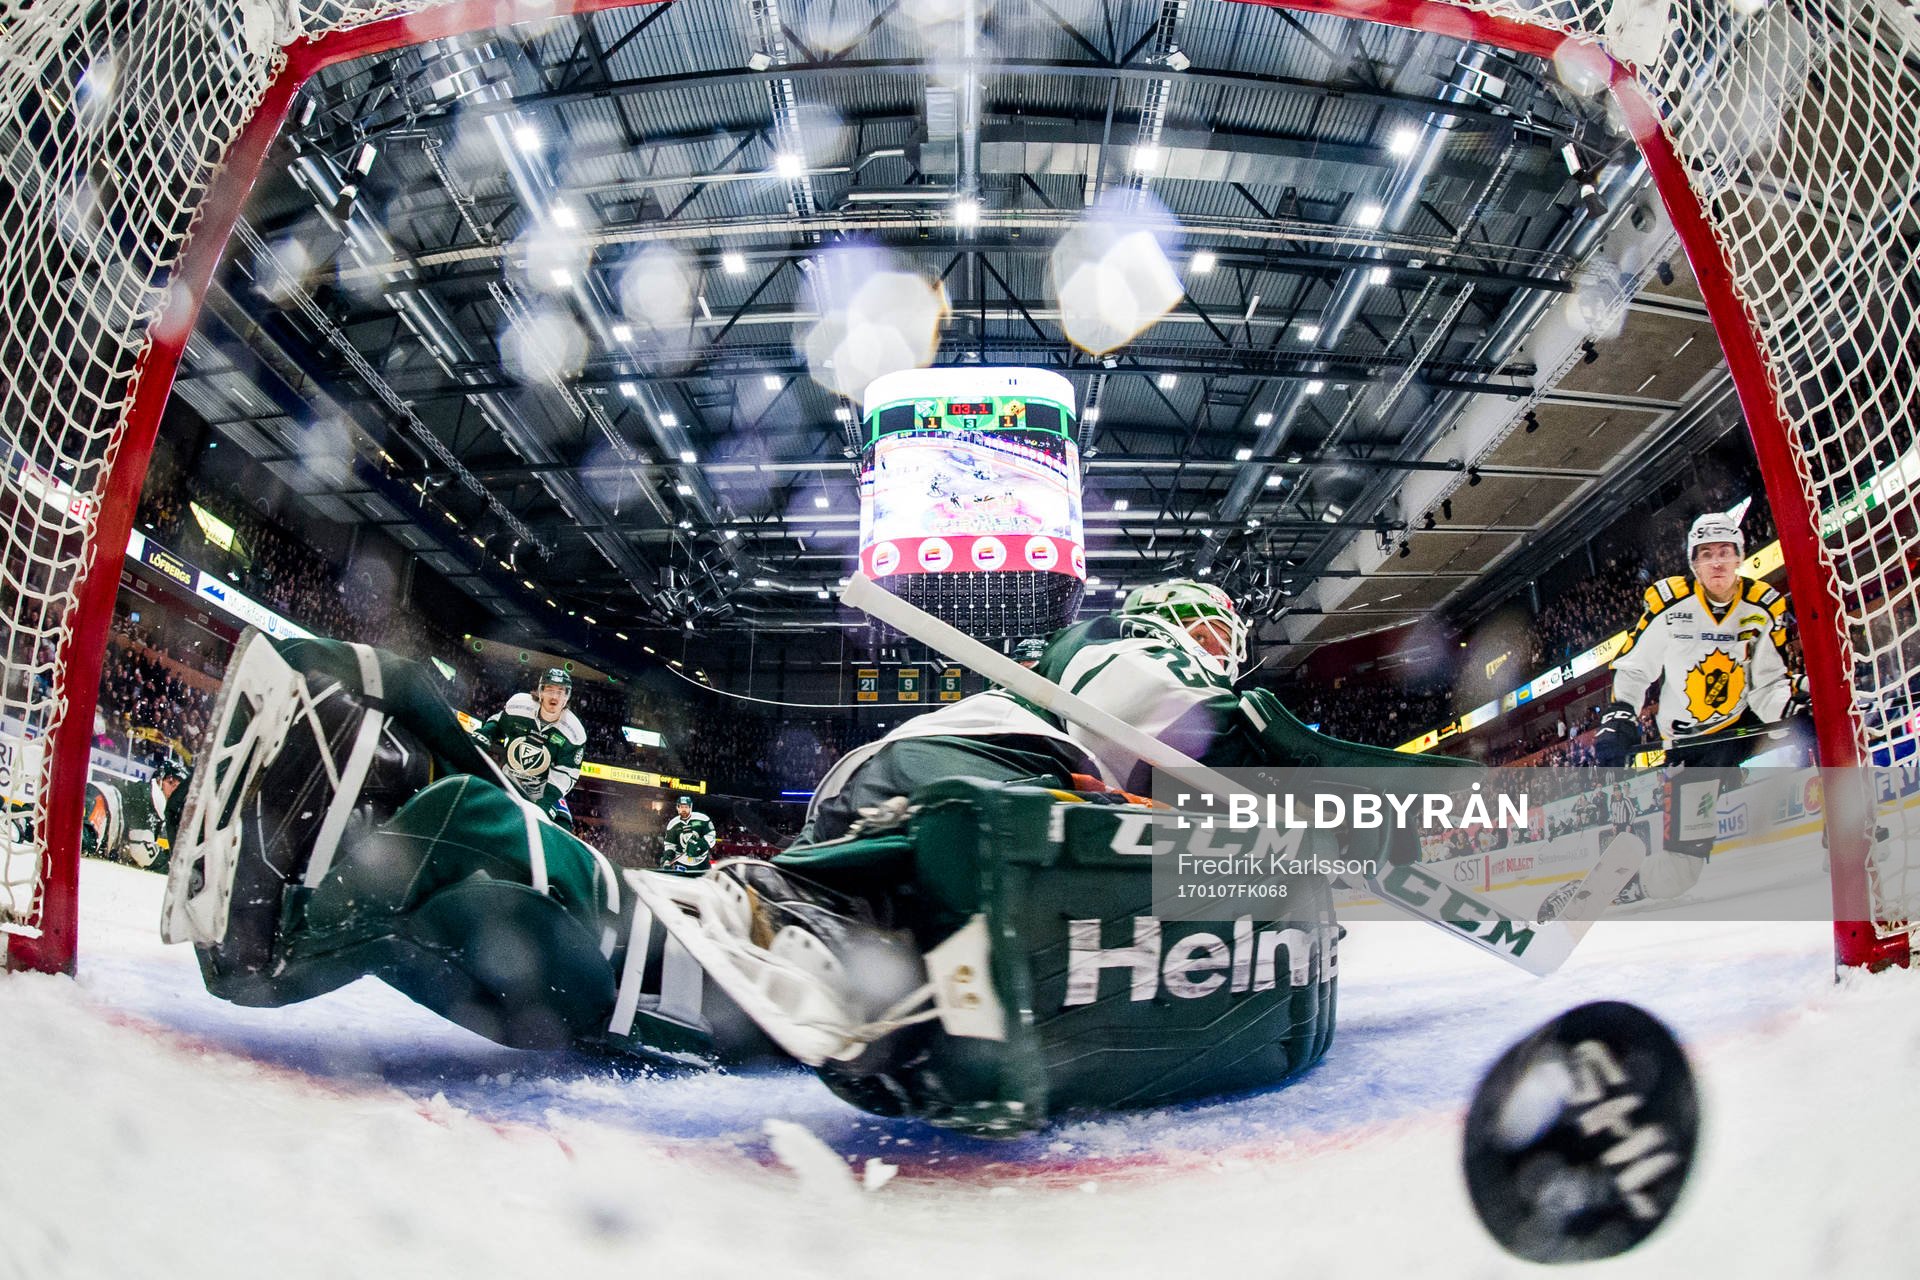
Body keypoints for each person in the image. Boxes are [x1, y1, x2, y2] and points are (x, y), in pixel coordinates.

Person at [163, 587, 1442, 1135]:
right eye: (1212, 623)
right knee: (797, 987)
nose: (1227, 646)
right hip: (978, 800)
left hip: (913, 798)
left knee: (758, 945)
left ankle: (411, 774)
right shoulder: (1137, 662)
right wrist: (1327, 770)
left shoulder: (1083, 694)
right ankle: (397, 838)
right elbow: (1182, 752)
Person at [1590, 509, 1799, 900]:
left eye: (1725, 551)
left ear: (1740, 555)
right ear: (1693, 562)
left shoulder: (1762, 607)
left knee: (1820, 735)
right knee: (1677, 876)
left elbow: (1769, 684)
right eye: (1706, 554)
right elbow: (1635, 670)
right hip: (1692, 747)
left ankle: (1851, 843)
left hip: (1743, 730)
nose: (1717, 561)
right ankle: (1626, 885)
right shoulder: (1671, 606)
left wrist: (1790, 710)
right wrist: (1621, 715)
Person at [471, 667, 586, 825]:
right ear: (541, 691)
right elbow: (499, 723)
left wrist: (545, 804)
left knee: (562, 828)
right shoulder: (520, 706)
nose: (554, 696)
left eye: (560, 691)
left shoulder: (574, 733)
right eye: (550, 689)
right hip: (509, 781)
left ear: (567, 696)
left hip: (542, 792)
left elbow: (567, 773)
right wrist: (485, 733)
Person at [83, 753, 189, 872]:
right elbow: (142, 853)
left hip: (101, 804)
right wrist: (172, 866)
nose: (174, 790)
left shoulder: (152, 802)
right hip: (102, 800)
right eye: (171, 783)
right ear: (159, 780)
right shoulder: (146, 796)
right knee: (82, 840)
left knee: (81, 842)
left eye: (178, 788)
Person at [660, 795, 715, 875]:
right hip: (682, 862)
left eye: (686, 807)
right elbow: (670, 845)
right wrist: (667, 859)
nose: (683, 809)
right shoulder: (672, 824)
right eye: (681, 807)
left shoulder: (703, 819)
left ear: (690, 807)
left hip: (702, 861)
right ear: (677, 808)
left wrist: (699, 844)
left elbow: (712, 836)